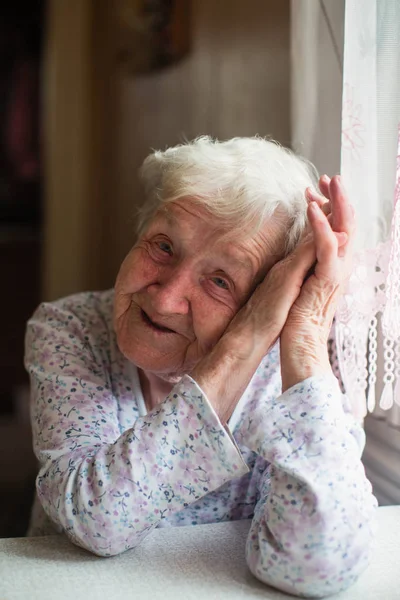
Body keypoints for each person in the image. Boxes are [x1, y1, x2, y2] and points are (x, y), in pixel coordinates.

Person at [25, 136, 377, 598]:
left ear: (270, 300)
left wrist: (306, 331)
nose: (166, 297)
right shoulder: (71, 329)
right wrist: (242, 341)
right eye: (163, 246)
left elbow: (320, 562)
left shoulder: (300, 378)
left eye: (220, 281)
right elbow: (96, 517)